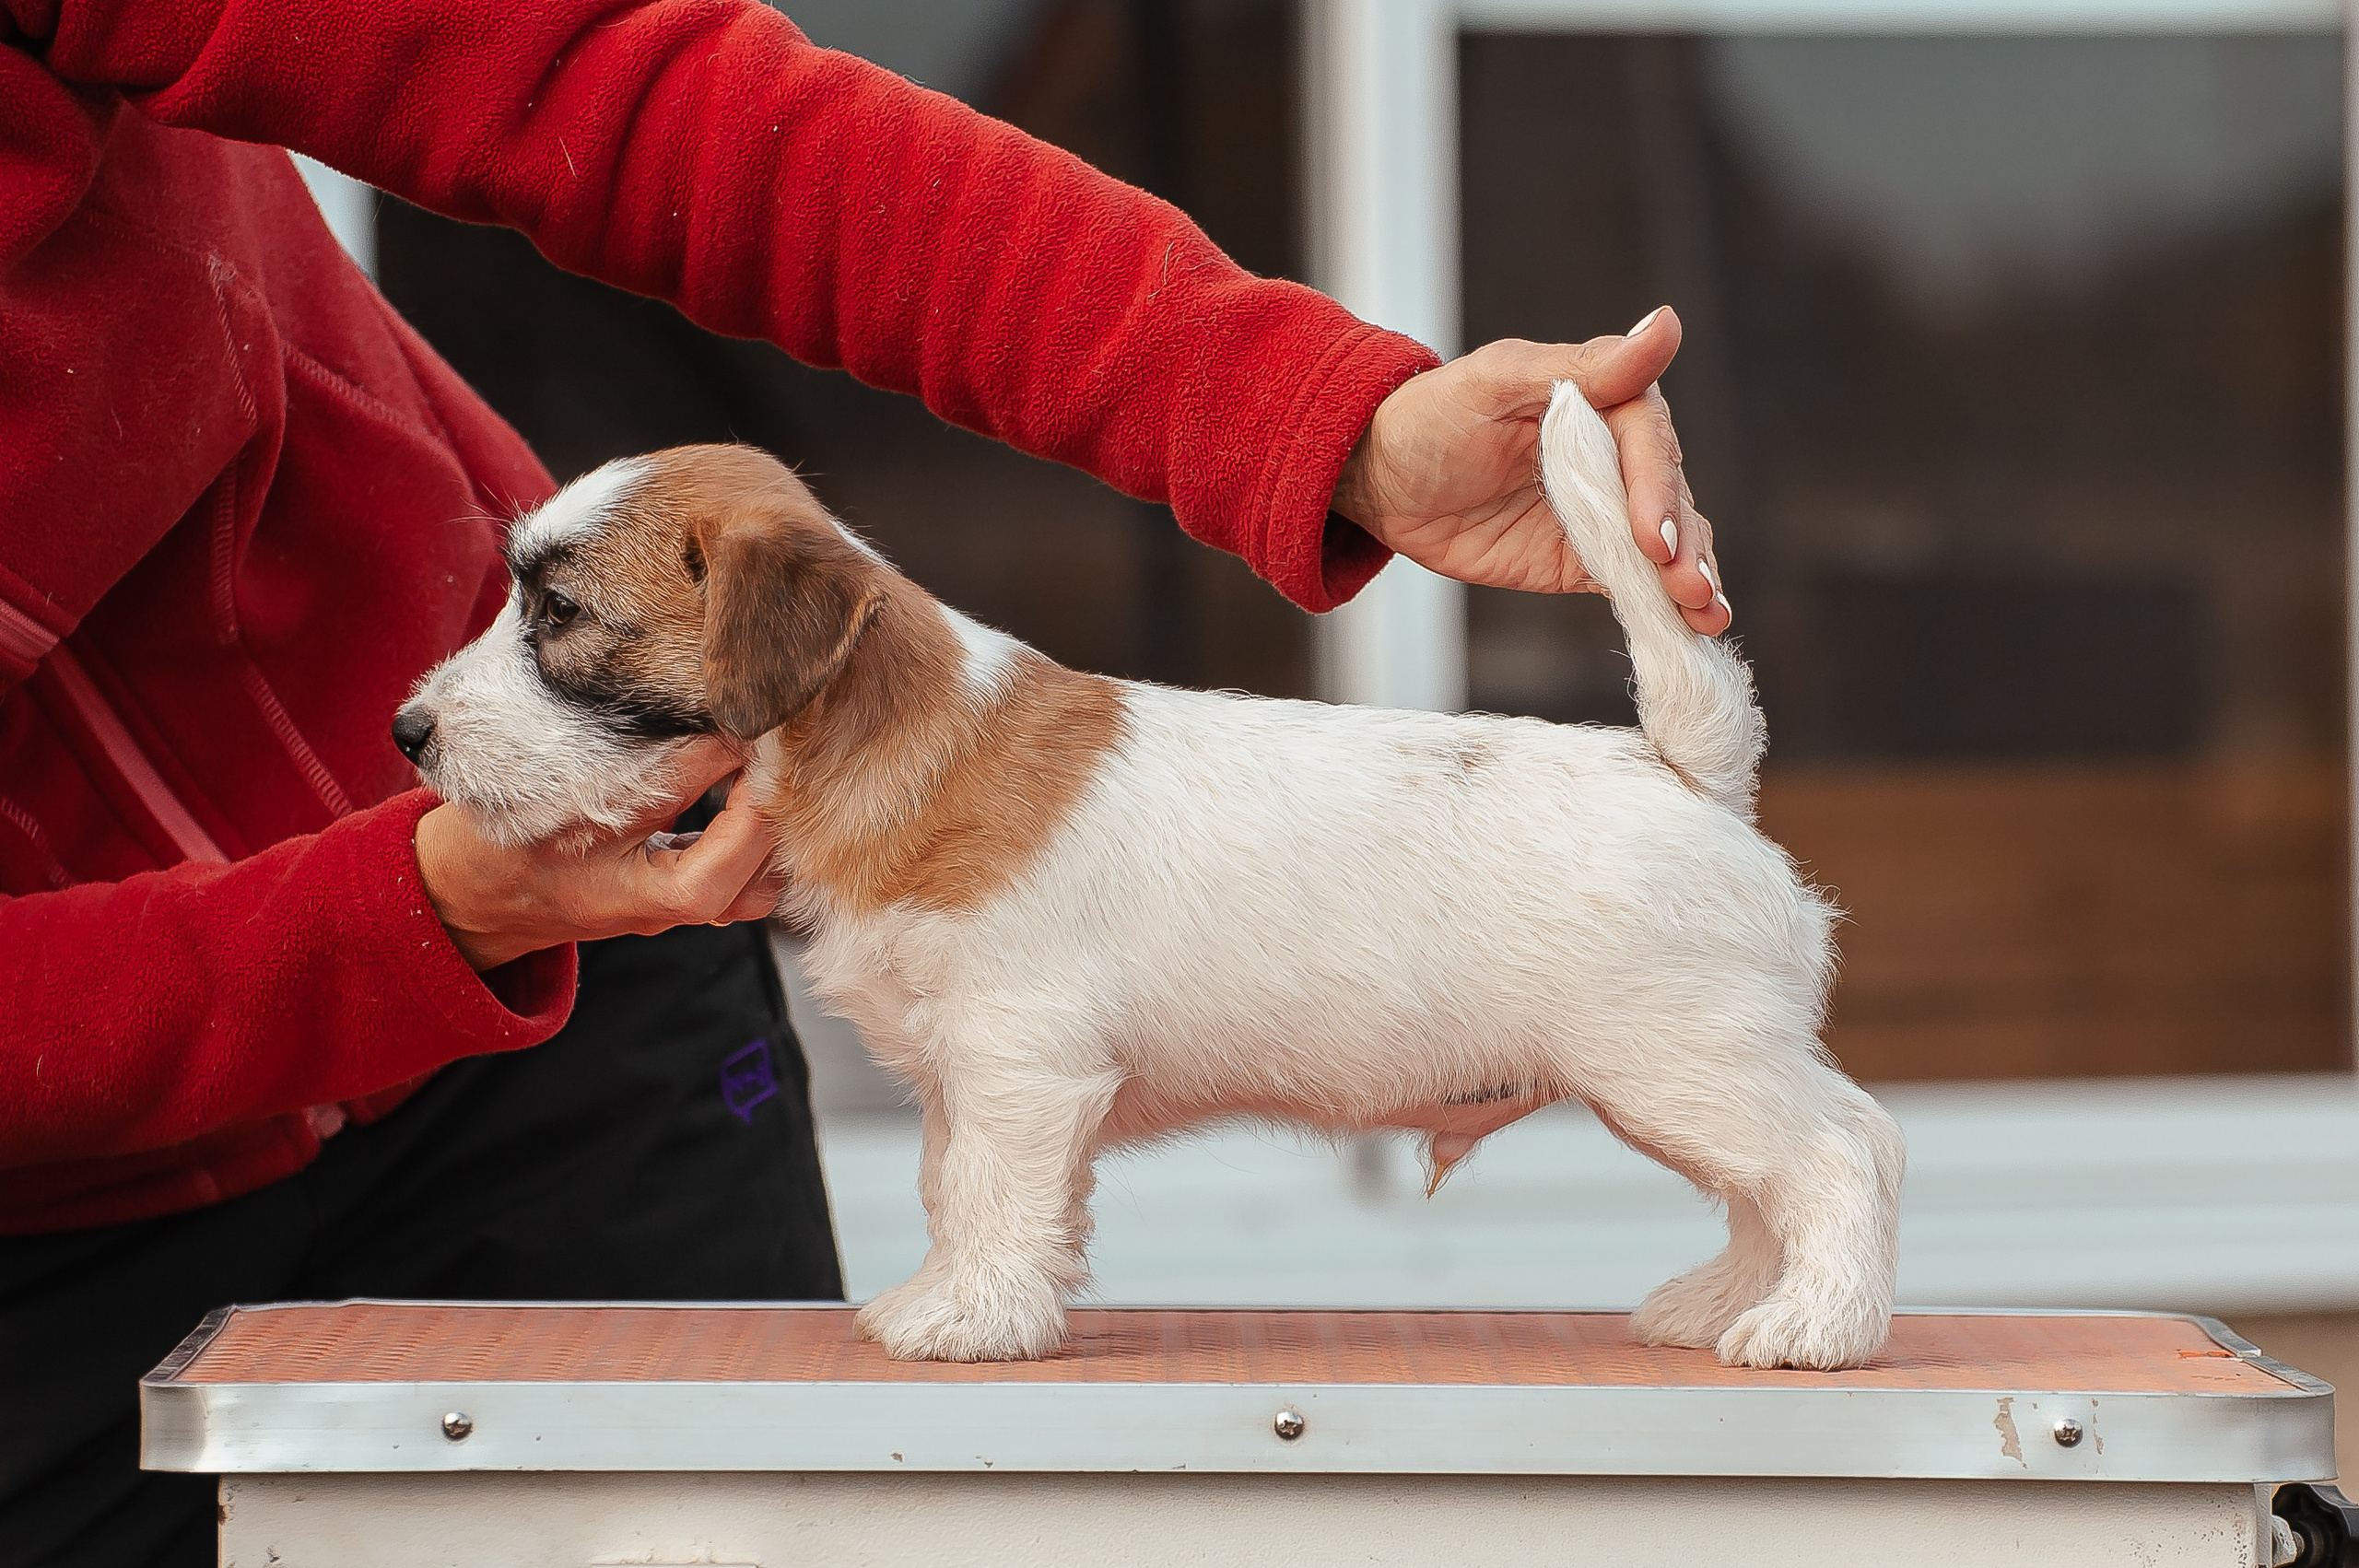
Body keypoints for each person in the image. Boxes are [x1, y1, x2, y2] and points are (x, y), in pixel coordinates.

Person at [0, 1, 1729, 1562]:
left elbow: (639, 95)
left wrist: (1317, 418)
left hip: (582, 981)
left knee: (762, 1518)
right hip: (68, 1214)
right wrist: (409, 911)